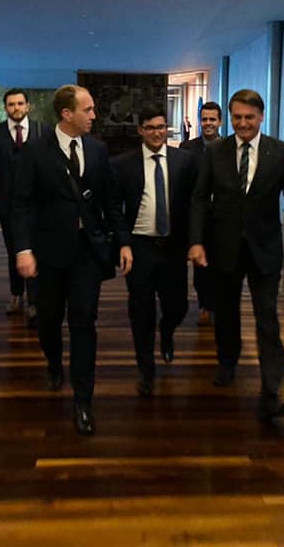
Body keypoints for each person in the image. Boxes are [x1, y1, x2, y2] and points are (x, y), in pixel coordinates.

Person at [11, 85, 133, 435]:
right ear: (67, 114)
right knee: (48, 321)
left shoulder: (97, 150)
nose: (94, 116)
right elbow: (20, 204)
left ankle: (83, 400)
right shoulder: (35, 151)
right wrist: (23, 249)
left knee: (83, 322)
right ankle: (53, 362)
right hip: (48, 254)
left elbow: (110, 201)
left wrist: (123, 242)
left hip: (87, 253)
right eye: (88, 110)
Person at [188, 89, 284, 422]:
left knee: (267, 318)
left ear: (261, 117)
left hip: (265, 249)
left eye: (249, 117)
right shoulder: (216, 151)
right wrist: (196, 242)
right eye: (237, 117)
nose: (243, 123)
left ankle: (271, 390)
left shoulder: (280, 152)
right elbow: (200, 198)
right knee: (226, 311)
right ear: (230, 118)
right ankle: (227, 362)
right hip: (224, 247)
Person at [112, 105, 198, 397]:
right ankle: (146, 369)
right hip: (140, 247)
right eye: (150, 128)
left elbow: (194, 204)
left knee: (178, 306)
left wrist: (194, 241)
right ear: (140, 130)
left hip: (173, 247)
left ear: (167, 128)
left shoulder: (185, 161)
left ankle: (168, 331)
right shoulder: (123, 165)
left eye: (161, 127)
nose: (156, 133)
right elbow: (115, 209)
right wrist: (123, 243)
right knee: (141, 311)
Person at [0, 88, 46, 325]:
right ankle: (16, 294)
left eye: (20, 103)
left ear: (27, 106)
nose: (16, 108)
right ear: (5, 108)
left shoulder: (43, 131)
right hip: (7, 205)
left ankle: (35, 300)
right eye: (11, 104)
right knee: (14, 249)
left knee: (36, 249)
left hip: (39, 203)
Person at [179, 101, 223, 327]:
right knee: (200, 265)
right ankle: (205, 305)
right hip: (197, 217)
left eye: (212, 119)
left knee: (222, 264)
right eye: (204, 119)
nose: (208, 123)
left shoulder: (229, 147)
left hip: (223, 217)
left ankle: (219, 305)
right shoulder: (187, 148)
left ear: (220, 122)